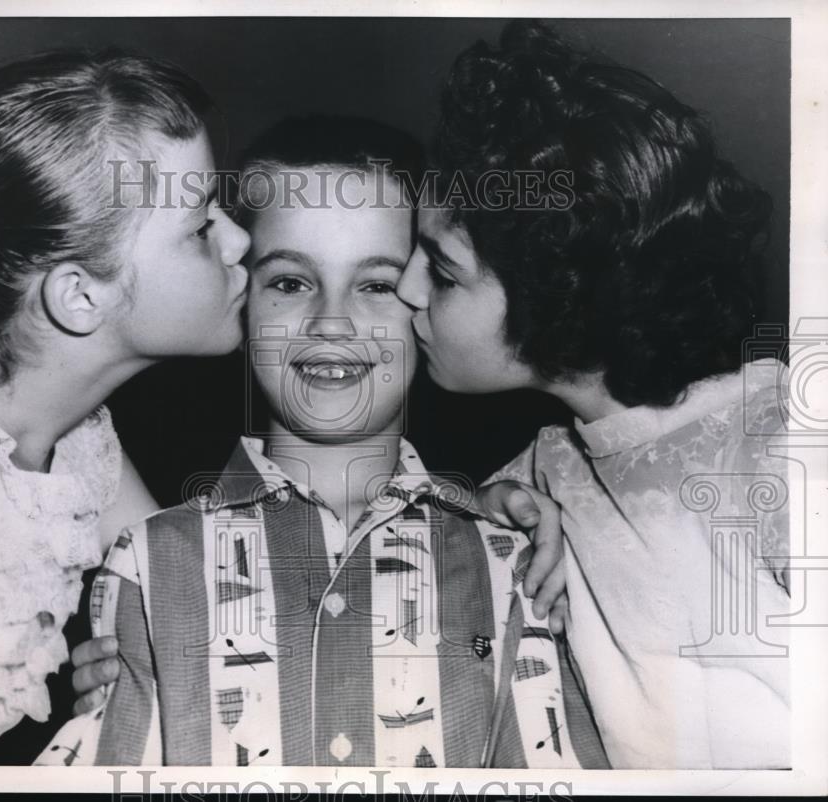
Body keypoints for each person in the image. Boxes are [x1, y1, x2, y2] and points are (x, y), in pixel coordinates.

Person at [45, 116, 608, 768]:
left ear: (429, 298)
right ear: (240, 294)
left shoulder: (514, 565)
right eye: (290, 282)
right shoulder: (149, 561)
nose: (332, 322)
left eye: (376, 285)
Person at [393, 21, 791, 768]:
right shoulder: (551, 465)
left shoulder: (778, 441)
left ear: (559, 305)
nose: (407, 288)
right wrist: (483, 507)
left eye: (443, 273)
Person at [0, 49, 252, 764]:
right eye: (200, 227)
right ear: (80, 297)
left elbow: (204, 592)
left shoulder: (81, 445)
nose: (239, 239)